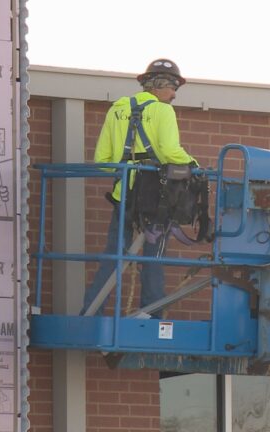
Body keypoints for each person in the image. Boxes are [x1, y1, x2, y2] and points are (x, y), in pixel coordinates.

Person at [81, 59, 197, 318]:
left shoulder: (117, 109)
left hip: (124, 195)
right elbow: (169, 151)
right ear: (158, 85)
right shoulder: (163, 111)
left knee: (114, 255)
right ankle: (152, 313)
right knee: (153, 256)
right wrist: (193, 165)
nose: (175, 94)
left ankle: (92, 309)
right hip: (155, 197)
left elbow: (103, 162)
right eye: (174, 86)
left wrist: (128, 171)